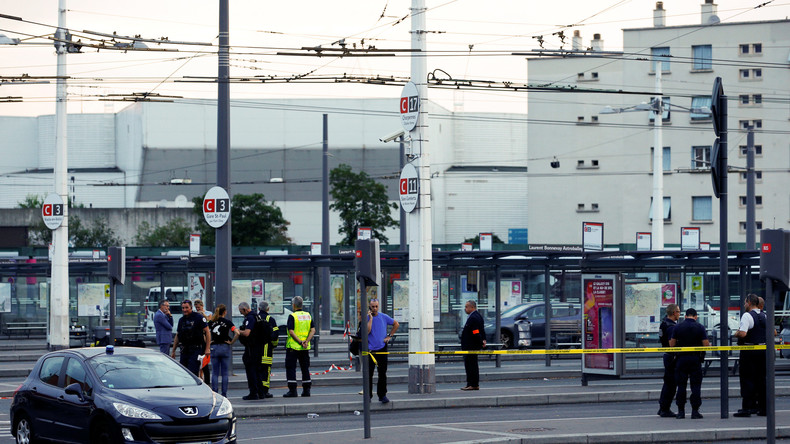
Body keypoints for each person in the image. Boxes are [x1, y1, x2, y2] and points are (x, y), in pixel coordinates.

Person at [669, 308, 710, 419]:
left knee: (681, 386)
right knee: (696, 386)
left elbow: (672, 344)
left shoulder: (678, 326)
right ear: (695, 316)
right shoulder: (700, 327)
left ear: (685, 316)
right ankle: (695, 411)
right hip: (695, 359)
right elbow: (706, 344)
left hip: (681, 359)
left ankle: (681, 412)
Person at [734, 293, 767, 417]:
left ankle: (747, 408)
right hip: (763, 350)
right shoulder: (764, 315)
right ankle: (763, 408)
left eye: (744, 302)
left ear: (748, 302)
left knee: (747, 379)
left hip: (749, 351)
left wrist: (736, 333)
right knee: (762, 380)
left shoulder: (747, 316)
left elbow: (743, 333)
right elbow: (773, 332)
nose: (744, 304)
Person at [365, 299, 399, 403]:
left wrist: (389, 336)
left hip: (382, 348)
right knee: (368, 374)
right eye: (372, 307)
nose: (374, 309)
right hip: (370, 350)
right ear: (369, 307)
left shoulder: (383, 316)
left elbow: (396, 324)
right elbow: (367, 331)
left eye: (376, 306)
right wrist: (370, 319)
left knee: (382, 373)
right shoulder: (366, 318)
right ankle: (368, 396)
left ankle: (382, 395)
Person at [283, 296, 315, 398]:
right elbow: (313, 330)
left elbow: (291, 331)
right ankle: (306, 390)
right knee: (305, 368)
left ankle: (293, 391)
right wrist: (306, 341)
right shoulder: (308, 315)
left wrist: (300, 342)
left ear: (293, 305)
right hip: (305, 348)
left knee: (291, 368)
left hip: (293, 347)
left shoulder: (292, 316)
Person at [171, 300, 211, 376]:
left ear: (191, 308)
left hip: (195, 349)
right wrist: (173, 350)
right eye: (183, 308)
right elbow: (178, 335)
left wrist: (207, 348)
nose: (184, 310)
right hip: (184, 350)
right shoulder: (181, 320)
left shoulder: (198, 317)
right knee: (184, 372)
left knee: (193, 372)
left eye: (186, 308)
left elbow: (207, 332)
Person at [208, 304, 239, 397]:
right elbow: (237, 333)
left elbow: (205, 332)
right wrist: (231, 342)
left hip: (214, 347)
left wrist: (209, 342)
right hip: (225, 347)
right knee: (225, 373)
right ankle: (224, 394)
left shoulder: (212, 322)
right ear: (225, 312)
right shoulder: (228, 322)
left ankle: (215, 393)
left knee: (215, 373)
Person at [238, 301, 266, 400]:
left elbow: (246, 333)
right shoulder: (257, 316)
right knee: (258, 371)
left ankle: (253, 393)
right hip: (259, 347)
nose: (241, 313)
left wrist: (237, 331)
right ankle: (261, 392)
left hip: (252, 348)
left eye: (241, 311)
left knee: (251, 371)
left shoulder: (250, 318)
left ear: (245, 309)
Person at [657, 303, 680, 417]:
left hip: (667, 355)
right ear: (674, 313)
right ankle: (665, 408)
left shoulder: (663, 324)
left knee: (667, 382)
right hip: (672, 356)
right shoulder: (671, 327)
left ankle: (662, 406)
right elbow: (673, 344)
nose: (679, 314)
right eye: (678, 312)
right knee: (671, 384)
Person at [460, 299, 486, 391]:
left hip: (471, 346)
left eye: (466, 307)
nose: (465, 309)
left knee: (471, 365)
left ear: (472, 307)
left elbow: (476, 332)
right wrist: (483, 340)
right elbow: (481, 330)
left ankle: (473, 384)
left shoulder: (474, 318)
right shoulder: (476, 316)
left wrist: (480, 341)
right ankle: (470, 383)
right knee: (470, 365)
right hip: (470, 345)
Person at [258, 300, 280, 399]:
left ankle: (256, 390)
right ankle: (265, 391)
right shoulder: (270, 319)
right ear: (268, 309)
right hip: (267, 350)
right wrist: (273, 345)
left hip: (255, 351)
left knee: (256, 370)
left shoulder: (254, 318)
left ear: (258, 308)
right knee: (266, 371)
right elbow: (275, 335)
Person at [194, 299, 212, 385]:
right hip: (198, 339)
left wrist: (202, 315)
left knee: (204, 364)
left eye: (199, 307)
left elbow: (209, 323)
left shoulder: (208, 313)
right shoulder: (195, 314)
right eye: (196, 307)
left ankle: (207, 382)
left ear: (202, 306)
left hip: (205, 339)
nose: (197, 309)